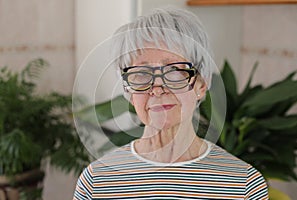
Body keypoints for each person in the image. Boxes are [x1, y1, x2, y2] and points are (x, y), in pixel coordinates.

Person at [73, 7, 269, 199]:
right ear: (129, 91)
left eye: (174, 71)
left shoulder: (244, 185)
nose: (157, 88)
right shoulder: (96, 183)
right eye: (141, 74)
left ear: (201, 84)